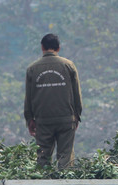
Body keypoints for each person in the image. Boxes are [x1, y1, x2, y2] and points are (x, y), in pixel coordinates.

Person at [24, 33, 83, 169]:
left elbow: (29, 97)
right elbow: (76, 94)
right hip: (66, 119)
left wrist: (29, 119)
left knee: (43, 157)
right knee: (65, 157)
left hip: (43, 121)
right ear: (58, 48)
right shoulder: (68, 66)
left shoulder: (32, 69)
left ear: (42, 47)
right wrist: (76, 116)